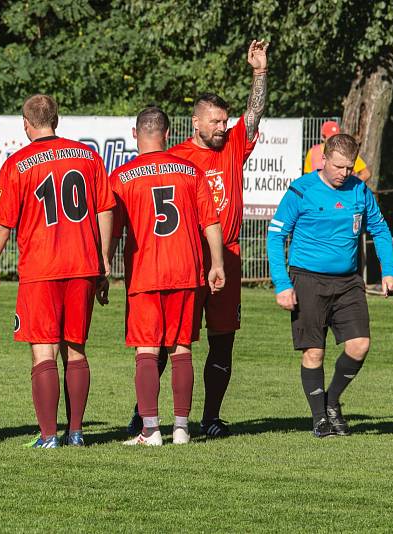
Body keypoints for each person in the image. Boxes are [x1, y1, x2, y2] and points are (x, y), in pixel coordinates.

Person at [126, 39, 269, 438]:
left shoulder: (234, 144)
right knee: (167, 341)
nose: (222, 127)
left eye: (225, 121)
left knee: (222, 343)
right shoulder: (178, 158)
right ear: (196, 123)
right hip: (188, 260)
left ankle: (210, 418)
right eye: (215, 122)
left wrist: (259, 72)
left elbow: (254, 114)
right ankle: (145, 414)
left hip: (229, 255)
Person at [0, 94, 115, 448]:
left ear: (26, 123)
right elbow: (106, 209)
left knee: (44, 350)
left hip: (41, 268)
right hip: (83, 264)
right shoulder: (88, 156)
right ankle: (75, 433)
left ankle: (48, 436)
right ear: (56, 119)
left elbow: (2, 220)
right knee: (76, 348)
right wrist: (103, 259)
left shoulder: (17, 163)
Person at [267, 133, 393, 438]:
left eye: (349, 168)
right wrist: (282, 284)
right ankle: (319, 418)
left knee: (360, 345)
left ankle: (333, 401)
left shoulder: (359, 190)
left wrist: (389, 271)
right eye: (339, 166)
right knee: (314, 352)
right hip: (307, 280)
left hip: (348, 281)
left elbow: (379, 228)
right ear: (323, 160)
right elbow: (275, 236)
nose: (344, 173)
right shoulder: (301, 191)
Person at [108, 107, 225, 446]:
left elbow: (113, 232)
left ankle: (150, 430)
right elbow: (210, 222)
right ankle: (181, 429)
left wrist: (104, 267)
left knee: (146, 350)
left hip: (146, 273)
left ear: (135, 134)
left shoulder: (123, 176)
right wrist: (216, 263)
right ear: (168, 134)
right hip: (187, 271)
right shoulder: (191, 170)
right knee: (181, 348)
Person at [303, 121, 371, 183]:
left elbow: (366, 173)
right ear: (323, 137)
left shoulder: (346, 151)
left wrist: (351, 187)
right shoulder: (313, 152)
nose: (334, 140)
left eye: (336, 137)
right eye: (331, 137)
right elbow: (307, 177)